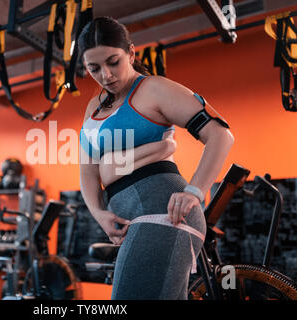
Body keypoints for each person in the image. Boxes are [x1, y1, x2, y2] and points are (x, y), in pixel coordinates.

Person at [78, 16, 234, 300]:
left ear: (132, 53)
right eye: (94, 68)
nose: (106, 75)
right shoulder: (94, 105)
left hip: (165, 214)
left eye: (114, 62)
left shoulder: (153, 89)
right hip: (139, 218)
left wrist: (194, 191)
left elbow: (221, 134)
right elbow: (88, 170)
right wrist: (99, 214)